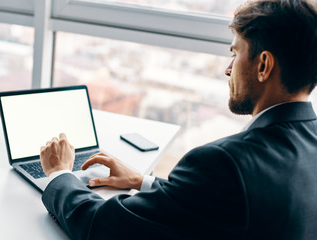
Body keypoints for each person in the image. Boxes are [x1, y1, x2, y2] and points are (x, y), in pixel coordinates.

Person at [40, 0, 317, 239]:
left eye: (235, 53)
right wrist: (143, 182)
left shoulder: (223, 163)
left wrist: (59, 173)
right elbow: (229, 205)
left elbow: (102, 226)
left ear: (264, 65)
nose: (227, 69)